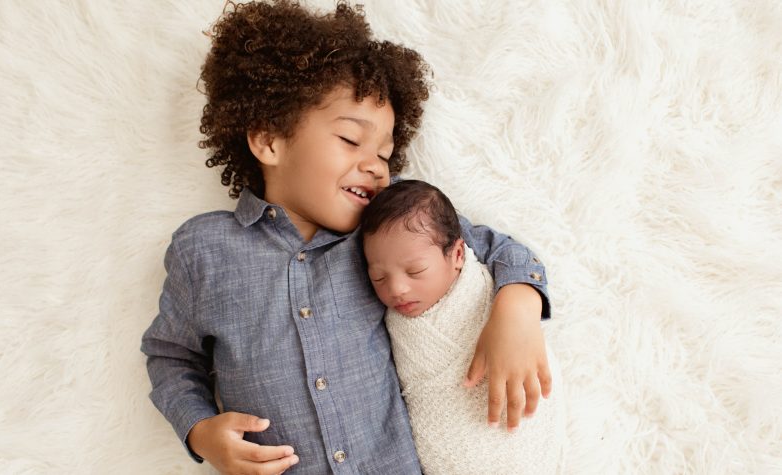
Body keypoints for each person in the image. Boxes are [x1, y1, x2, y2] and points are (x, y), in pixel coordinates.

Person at [141, 1, 553, 474]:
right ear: (269, 141)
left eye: (385, 151)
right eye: (351, 141)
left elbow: (500, 250)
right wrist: (200, 431)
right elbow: (170, 356)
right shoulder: (204, 249)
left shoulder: (389, 227)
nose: (377, 166)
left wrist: (517, 311)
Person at [360, 180, 565, 474]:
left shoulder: (478, 281)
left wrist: (517, 309)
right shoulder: (393, 318)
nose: (397, 289)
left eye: (415, 271)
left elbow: (513, 256)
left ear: (457, 255)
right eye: (379, 278)